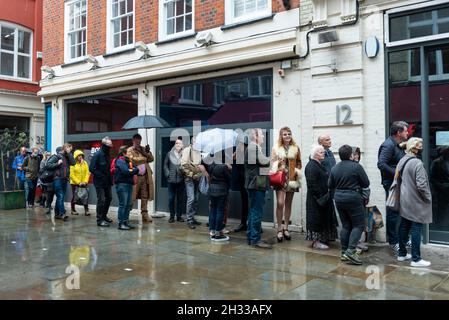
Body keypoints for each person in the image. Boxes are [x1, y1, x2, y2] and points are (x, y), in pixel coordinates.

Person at [329, 145, 370, 265]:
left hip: (339, 198)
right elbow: (365, 183)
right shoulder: (356, 167)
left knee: (346, 225)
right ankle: (351, 251)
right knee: (359, 225)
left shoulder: (335, 168)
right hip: (353, 198)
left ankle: (344, 252)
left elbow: (330, 184)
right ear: (351, 155)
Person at [396, 138, 432, 267]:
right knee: (416, 228)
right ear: (415, 148)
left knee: (404, 226)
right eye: (420, 147)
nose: (422, 149)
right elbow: (422, 185)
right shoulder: (417, 163)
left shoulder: (402, 160)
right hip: (416, 201)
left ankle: (402, 254)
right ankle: (416, 259)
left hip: (405, 199)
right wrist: (428, 198)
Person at [377, 121, 408, 255]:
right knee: (393, 212)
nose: (408, 133)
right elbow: (381, 164)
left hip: (398, 183)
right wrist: (397, 175)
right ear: (398, 133)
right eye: (406, 131)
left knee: (401, 211)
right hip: (391, 184)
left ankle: (403, 239)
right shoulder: (388, 145)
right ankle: (394, 241)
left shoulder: (397, 145)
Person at [270, 127, 302, 242]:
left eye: (289, 134)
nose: (287, 136)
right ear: (281, 136)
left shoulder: (296, 148)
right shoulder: (276, 148)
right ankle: (279, 228)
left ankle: (286, 228)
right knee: (280, 203)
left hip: (292, 178)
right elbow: (272, 163)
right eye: (285, 134)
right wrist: (279, 164)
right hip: (280, 178)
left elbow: (299, 162)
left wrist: (296, 171)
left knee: (288, 204)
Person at [305, 145, 337, 250]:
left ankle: (322, 239)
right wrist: (321, 196)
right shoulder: (311, 166)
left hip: (323, 198)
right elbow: (312, 184)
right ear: (314, 154)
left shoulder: (319, 164)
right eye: (320, 152)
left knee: (322, 218)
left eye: (323, 152)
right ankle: (316, 242)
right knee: (315, 219)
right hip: (316, 199)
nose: (323, 154)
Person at [245, 128, 272, 249]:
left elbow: (258, 168)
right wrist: (273, 158)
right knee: (256, 212)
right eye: (261, 135)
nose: (263, 137)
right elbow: (264, 162)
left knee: (253, 211)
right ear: (255, 136)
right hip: (256, 184)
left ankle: (251, 237)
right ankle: (255, 239)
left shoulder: (254, 148)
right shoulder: (253, 147)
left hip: (255, 183)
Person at [181, 135, 208, 229]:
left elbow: (200, 166)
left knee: (196, 199)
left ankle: (192, 218)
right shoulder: (187, 150)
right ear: (192, 142)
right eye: (196, 141)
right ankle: (189, 220)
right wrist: (192, 174)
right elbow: (183, 165)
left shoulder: (198, 151)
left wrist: (199, 175)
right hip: (189, 178)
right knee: (191, 199)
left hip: (197, 178)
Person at [127, 133, 155, 223]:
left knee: (145, 196)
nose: (138, 144)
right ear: (133, 141)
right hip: (135, 177)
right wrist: (144, 158)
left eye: (139, 142)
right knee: (132, 196)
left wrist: (147, 152)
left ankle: (144, 214)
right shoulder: (130, 150)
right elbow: (132, 159)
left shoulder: (143, 149)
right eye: (136, 142)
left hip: (145, 176)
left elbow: (151, 159)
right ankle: (126, 213)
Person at [46, 144, 76, 220]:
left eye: (70, 149)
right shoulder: (56, 156)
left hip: (64, 179)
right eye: (69, 148)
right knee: (61, 196)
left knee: (60, 197)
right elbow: (48, 165)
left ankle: (57, 214)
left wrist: (69, 154)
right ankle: (62, 213)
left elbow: (73, 163)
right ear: (64, 148)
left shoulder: (67, 157)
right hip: (57, 179)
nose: (70, 150)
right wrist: (57, 163)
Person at [207, 152, 232, 242]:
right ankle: (218, 232)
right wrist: (230, 169)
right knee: (220, 210)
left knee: (213, 210)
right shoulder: (224, 167)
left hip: (212, 190)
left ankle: (212, 230)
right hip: (221, 191)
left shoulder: (211, 165)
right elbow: (229, 179)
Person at [90, 137, 113, 227]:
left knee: (109, 198)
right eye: (109, 145)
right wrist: (101, 175)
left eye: (111, 145)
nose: (111, 147)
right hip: (99, 182)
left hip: (107, 181)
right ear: (104, 145)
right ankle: (99, 220)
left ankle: (104, 216)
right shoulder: (97, 155)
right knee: (101, 200)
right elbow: (91, 168)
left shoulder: (107, 154)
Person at [114, 146, 139, 230]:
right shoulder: (119, 161)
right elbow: (125, 171)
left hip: (128, 184)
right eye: (129, 152)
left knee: (128, 205)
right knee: (123, 204)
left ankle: (126, 222)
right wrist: (131, 170)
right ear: (124, 153)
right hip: (122, 185)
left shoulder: (128, 161)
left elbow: (136, 169)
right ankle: (121, 224)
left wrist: (131, 170)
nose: (130, 154)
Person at [164, 138, 186, 223]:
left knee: (180, 199)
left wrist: (183, 173)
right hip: (171, 180)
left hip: (180, 180)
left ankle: (179, 216)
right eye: (177, 143)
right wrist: (168, 174)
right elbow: (165, 165)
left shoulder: (184, 155)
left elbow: (186, 165)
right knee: (171, 199)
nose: (178, 145)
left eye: (180, 143)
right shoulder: (169, 154)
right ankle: (172, 216)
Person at [232, 133, 249, 232]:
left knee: (252, 203)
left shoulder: (249, 153)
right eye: (238, 143)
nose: (239, 145)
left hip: (250, 182)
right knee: (244, 202)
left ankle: (255, 225)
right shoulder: (237, 154)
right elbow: (235, 169)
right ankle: (243, 223)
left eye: (241, 144)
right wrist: (233, 159)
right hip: (242, 183)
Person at [430, 146, 449, 229]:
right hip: (441, 191)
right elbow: (431, 178)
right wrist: (441, 186)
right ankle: (440, 227)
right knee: (441, 211)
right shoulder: (436, 162)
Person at [70, 149, 90, 216]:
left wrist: (85, 181)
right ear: (75, 156)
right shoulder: (72, 164)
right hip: (75, 183)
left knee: (85, 196)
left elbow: (87, 173)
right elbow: (72, 175)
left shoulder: (85, 163)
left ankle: (86, 210)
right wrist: (78, 182)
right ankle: (73, 210)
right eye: (78, 156)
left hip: (84, 183)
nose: (80, 157)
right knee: (75, 196)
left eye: (81, 155)